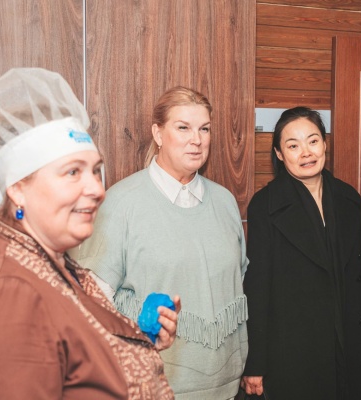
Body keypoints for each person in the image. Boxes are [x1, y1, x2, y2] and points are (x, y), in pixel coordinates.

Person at [0, 68, 180, 400]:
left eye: (96, 171)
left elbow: (76, 360)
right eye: (73, 172)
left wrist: (139, 345)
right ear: (17, 189)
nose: (97, 189)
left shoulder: (58, 265)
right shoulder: (4, 295)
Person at [73, 86, 249, 400]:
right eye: (183, 128)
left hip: (227, 388)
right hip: (152, 387)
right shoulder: (120, 204)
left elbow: (240, 282)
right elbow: (90, 304)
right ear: (158, 133)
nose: (196, 140)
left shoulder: (225, 202)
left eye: (204, 129)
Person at [241, 107, 361, 399]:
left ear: (324, 143)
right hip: (293, 349)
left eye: (313, 141)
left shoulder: (348, 198)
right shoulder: (265, 205)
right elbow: (257, 288)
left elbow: (355, 277)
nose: (306, 153)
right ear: (279, 154)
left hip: (347, 343)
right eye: (293, 145)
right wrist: (255, 363)